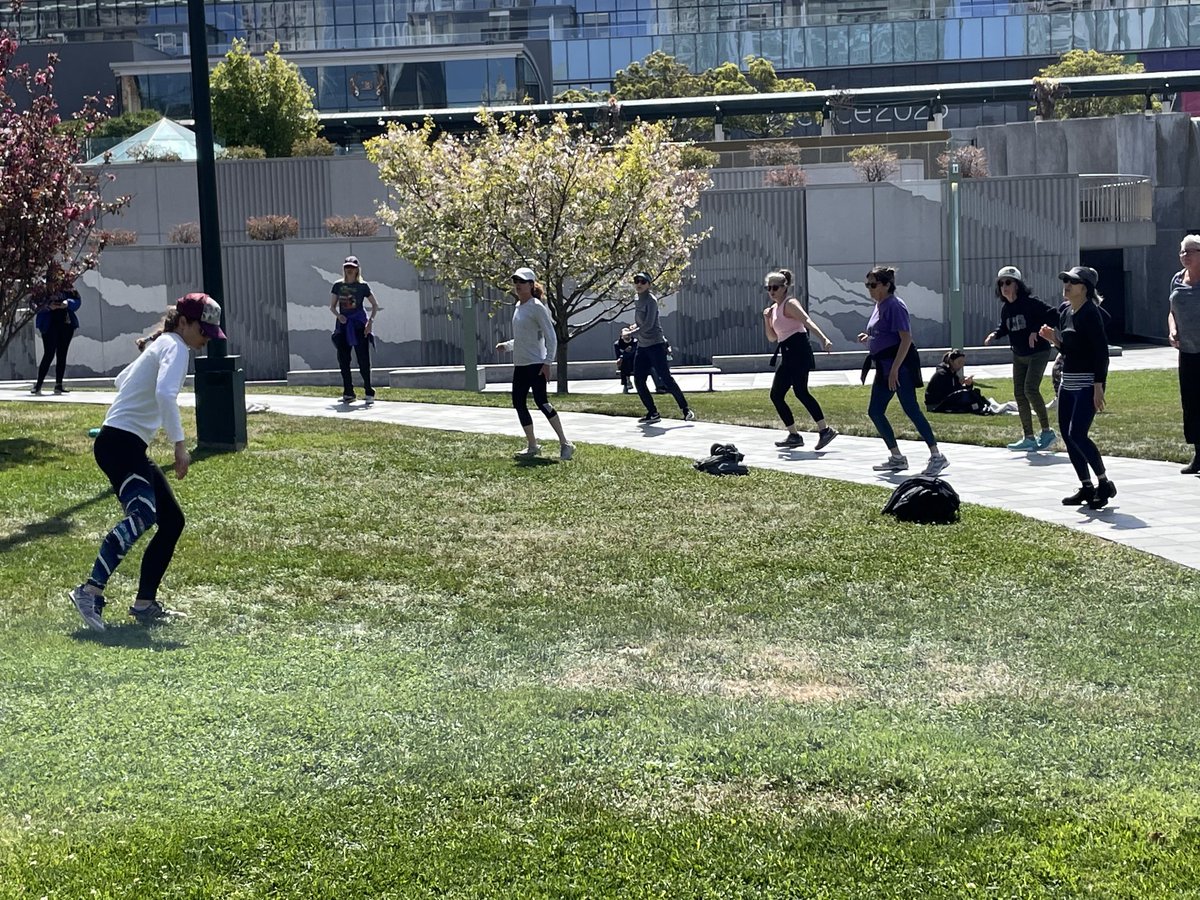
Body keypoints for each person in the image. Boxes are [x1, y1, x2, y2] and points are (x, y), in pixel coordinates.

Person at [68, 293, 226, 631]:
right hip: (120, 444)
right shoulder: (176, 347)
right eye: (203, 331)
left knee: (171, 521)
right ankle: (89, 590)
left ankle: (144, 604)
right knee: (143, 515)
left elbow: (121, 381)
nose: (204, 341)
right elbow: (166, 394)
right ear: (184, 323)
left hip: (123, 444)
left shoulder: (164, 344)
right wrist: (180, 446)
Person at [857, 265, 947, 476]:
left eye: (873, 285)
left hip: (900, 367)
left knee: (911, 409)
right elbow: (883, 334)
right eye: (867, 285)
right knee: (875, 411)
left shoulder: (895, 306)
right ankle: (897, 457)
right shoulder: (879, 305)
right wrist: (869, 340)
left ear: (887, 285)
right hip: (883, 367)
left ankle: (937, 456)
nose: (869, 289)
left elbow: (906, 339)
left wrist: (896, 369)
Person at [1038, 266, 1115, 509]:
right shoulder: (1066, 311)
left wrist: (1098, 386)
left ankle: (1104, 483)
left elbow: (1101, 352)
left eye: (1073, 282)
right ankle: (1086, 486)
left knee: (1077, 434)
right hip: (1068, 382)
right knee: (1069, 437)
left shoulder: (1090, 314)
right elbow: (1070, 351)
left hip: (1086, 383)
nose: (1067, 285)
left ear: (1085, 288)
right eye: (1066, 281)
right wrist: (1055, 340)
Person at [495, 267, 574, 460]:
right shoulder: (518, 308)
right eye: (515, 282)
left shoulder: (537, 306)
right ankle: (532, 445)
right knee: (519, 403)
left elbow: (551, 337)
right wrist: (507, 346)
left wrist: (547, 362)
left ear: (531, 285)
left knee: (542, 402)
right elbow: (523, 338)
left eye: (522, 282)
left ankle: (565, 443)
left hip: (536, 365)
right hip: (520, 365)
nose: (518, 285)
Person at [983, 265, 1059, 451]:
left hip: (1037, 353)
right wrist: (995, 334)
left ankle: (1047, 432)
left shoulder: (1030, 303)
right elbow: (1005, 326)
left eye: (1008, 282)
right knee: (1019, 393)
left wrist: (1036, 331)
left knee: (1030, 389)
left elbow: (1054, 315)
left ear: (1017, 284)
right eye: (1001, 283)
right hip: (1019, 355)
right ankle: (1029, 437)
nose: (1004, 286)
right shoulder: (1006, 309)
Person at [761, 268, 838, 449]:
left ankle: (825, 430)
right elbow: (772, 337)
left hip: (799, 350)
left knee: (801, 391)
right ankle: (794, 435)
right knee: (776, 395)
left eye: (775, 287)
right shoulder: (773, 309)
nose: (772, 291)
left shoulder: (790, 303)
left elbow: (806, 321)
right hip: (786, 353)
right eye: (768, 288)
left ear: (784, 287)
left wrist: (824, 338)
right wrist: (766, 319)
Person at [624, 272, 696, 425]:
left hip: (656, 345)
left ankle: (686, 410)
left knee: (666, 379)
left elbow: (649, 325)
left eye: (643, 282)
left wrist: (631, 334)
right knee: (639, 380)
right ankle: (653, 412)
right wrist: (632, 328)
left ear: (649, 284)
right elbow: (640, 323)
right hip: (642, 346)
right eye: (636, 281)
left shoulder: (651, 301)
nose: (639, 284)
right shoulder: (637, 299)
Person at [329, 255, 380, 404]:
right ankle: (348, 391)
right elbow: (332, 306)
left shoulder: (363, 286)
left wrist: (370, 322)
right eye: (347, 267)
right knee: (343, 359)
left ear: (357, 269)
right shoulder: (337, 285)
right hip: (343, 326)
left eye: (352, 267)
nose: (349, 270)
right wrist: (339, 316)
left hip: (359, 325)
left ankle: (369, 390)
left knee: (363, 359)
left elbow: (375, 305)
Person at [1168, 234, 1200, 473]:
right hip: (1187, 351)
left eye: (1191, 251)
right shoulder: (1177, 279)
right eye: (1182, 252)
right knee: (1191, 403)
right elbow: (1171, 309)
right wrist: (1173, 329)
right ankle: (1199, 455)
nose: (1185, 256)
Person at [30, 264, 81, 396]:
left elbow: (77, 301)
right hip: (49, 325)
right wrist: (48, 306)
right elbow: (34, 304)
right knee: (49, 353)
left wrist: (67, 303)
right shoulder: (41, 290)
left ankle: (59, 384)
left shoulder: (68, 288)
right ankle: (39, 384)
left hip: (66, 324)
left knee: (62, 353)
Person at [924, 349, 989, 414]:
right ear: (951, 361)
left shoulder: (953, 374)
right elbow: (949, 392)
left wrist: (968, 384)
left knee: (974, 392)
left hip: (944, 400)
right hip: (936, 404)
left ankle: (984, 404)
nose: (961, 365)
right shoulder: (942, 374)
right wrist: (961, 384)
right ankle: (981, 406)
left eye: (963, 362)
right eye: (959, 362)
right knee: (969, 396)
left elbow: (955, 391)